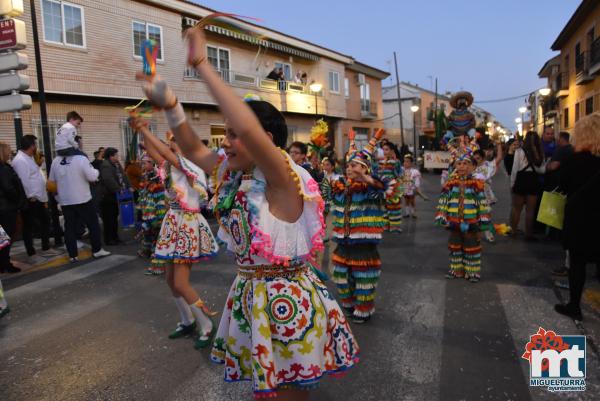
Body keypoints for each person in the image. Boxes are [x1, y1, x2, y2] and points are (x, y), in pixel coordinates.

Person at [136, 27, 358, 400]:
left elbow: (248, 128)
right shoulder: (236, 174)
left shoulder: (284, 179)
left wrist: (204, 65)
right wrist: (172, 105)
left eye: (235, 135)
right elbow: (191, 148)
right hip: (253, 294)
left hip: (286, 301)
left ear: (266, 141)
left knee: (287, 394)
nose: (226, 141)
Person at [130, 121, 218, 348]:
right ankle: (187, 320)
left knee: (181, 282)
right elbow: (155, 153)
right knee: (170, 280)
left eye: (175, 143)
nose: (171, 146)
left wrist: (145, 130)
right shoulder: (173, 166)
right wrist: (141, 131)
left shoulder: (190, 165)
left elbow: (166, 155)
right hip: (174, 222)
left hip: (187, 224)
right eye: (171, 142)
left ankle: (206, 324)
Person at [331, 129, 391, 323]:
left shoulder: (371, 188)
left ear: (366, 169)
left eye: (356, 165)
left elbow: (387, 189)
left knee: (364, 278)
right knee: (340, 276)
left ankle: (363, 308)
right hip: (343, 242)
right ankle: (348, 304)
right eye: (349, 165)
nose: (350, 168)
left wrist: (365, 178)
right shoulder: (340, 187)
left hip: (364, 246)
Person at [554, 114, 600, 321]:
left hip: (579, 217)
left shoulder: (573, 160)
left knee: (578, 262)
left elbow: (562, 186)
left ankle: (575, 306)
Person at [436, 153, 491, 282]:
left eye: (466, 163)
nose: (462, 166)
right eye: (459, 164)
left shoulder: (477, 184)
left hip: (471, 221)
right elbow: (444, 200)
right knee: (454, 246)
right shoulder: (450, 183)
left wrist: (484, 220)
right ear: (455, 166)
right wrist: (441, 215)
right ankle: (456, 270)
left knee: (472, 247)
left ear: (473, 167)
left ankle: (472, 272)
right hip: (454, 221)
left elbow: (482, 203)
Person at [48, 148, 110, 262]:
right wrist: (96, 171)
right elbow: (92, 176)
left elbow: (52, 181)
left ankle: (72, 255)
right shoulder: (80, 158)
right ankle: (97, 250)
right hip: (83, 198)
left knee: (69, 227)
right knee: (93, 224)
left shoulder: (56, 160)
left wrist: (58, 196)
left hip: (66, 200)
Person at [11, 135, 62, 261]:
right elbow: (24, 181)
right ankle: (31, 252)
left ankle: (45, 247)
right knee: (29, 226)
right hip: (32, 199)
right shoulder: (20, 160)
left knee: (45, 221)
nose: (36, 147)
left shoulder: (29, 158)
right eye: (35, 144)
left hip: (39, 197)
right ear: (31, 146)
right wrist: (31, 196)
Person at [510, 131, 546, 240]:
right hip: (533, 181)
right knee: (530, 211)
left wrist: (512, 183)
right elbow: (542, 170)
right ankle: (528, 234)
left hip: (521, 180)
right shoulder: (540, 152)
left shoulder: (520, 151)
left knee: (516, 209)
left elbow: (515, 169)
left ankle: (513, 231)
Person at [136, 152, 167, 275]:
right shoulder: (145, 176)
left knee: (157, 239)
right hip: (147, 213)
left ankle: (159, 266)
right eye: (141, 163)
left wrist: (159, 217)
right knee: (148, 234)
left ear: (151, 163)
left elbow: (159, 198)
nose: (142, 165)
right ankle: (146, 252)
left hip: (155, 214)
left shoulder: (157, 177)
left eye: (144, 163)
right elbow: (143, 195)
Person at [0, 143, 26, 273]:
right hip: (6, 209)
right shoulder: (4, 169)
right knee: (6, 237)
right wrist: (18, 199)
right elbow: (8, 188)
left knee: (2, 238)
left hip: (3, 207)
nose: (10, 153)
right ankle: (5, 263)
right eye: (8, 151)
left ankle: (3, 262)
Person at [98, 148, 131, 245]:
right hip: (107, 195)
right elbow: (108, 180)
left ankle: (115, 237)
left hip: (115, 195)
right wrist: (118, 189)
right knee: (109, 218)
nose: (118, 156)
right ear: (111, 156)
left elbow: (124, 175)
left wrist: (129, 186)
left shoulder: (116, 164)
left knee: (114, 216)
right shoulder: (105, 165)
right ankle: (109, 239)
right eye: (116, 155)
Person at [473, 143, 503, 242]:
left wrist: (499, 146)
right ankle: (477, 235)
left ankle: (488, 233)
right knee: (476, 214)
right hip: (474, 193)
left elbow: (499, 158)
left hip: (486, 192)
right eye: (474, 158)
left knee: (487, 214)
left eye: (478, 158)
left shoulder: (487, 165)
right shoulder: (471, 167)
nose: (476, 160)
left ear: (482, 158)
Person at [378, 141, 403, 232]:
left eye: (387, 149)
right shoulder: (380, 162)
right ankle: (386, 224)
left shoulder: (396, 162)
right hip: (383, 188)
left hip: (393, 188)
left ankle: (395, 226)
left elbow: (399, 175)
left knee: (394, 207)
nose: (385, 151)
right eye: (383, 149)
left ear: (392, 150)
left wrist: (398, 189)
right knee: (384, 207)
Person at [402, 154, 422, 219]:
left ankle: (413, 213)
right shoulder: (402, 170)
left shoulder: (414, 171)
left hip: (412, 188)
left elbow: (417, 180)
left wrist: (417, 187)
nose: (405, 163)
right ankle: (407, 213)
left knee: (412, 200)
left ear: (411, 163)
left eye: (407, 161)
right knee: (406, 200)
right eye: (404, 161)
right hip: (405, 188)